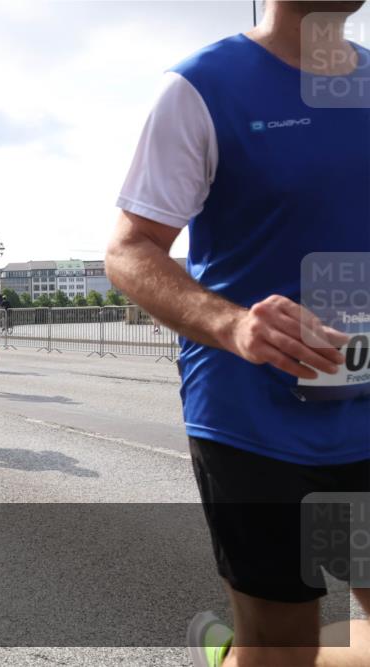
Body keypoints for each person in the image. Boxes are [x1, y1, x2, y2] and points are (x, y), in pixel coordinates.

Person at [105, 3, 370, 665]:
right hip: (253, 419)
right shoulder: (201, 87)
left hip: (364, 411)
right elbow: (131, 249)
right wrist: (233, 323)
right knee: (285, 644)